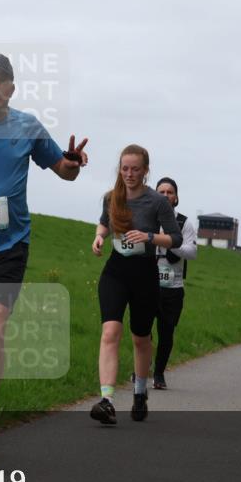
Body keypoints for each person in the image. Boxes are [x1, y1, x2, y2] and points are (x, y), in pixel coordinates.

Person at [0, 52, 88, 470]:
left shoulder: (27, 125)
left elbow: (63, 171)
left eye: (3, 80)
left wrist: (73, 163)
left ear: (12, 88)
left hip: (11, 244)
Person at [89, 145, 182, 425]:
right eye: (125, 168)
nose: (129, 174)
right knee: (110, 332)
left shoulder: (157, 202)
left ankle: (140, 391)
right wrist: (99, 237)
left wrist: (149, 236)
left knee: (141, 338)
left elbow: (175, 239)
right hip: (116, 271)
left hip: (145, 274)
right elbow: (104, 223)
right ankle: (106, 400)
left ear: (145, 171)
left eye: (135, 169)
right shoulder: (111, 197)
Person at [152, 177, 197, 389]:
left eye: (169, 192)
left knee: (166, 332)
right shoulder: (147, 219)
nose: (165, 195)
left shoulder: (184, 223)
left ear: (176, 197)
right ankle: (139, 371)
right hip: (147, 284)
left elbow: (191, 252)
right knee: (142, 332)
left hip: (173, 288)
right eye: (160, 191)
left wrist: (169, 241)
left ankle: (159, 374)